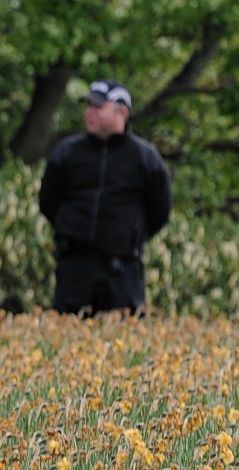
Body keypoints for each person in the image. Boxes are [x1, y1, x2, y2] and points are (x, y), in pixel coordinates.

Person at [39, 79, 172, 315]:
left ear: (121, 111)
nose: (90, 112)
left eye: (98, 107)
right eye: (89, 106)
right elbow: (49, 202)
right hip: (74, 267)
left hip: (122, 269)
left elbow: (160, 211)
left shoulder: (145, 159)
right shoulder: (67, 153)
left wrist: (130, 235)